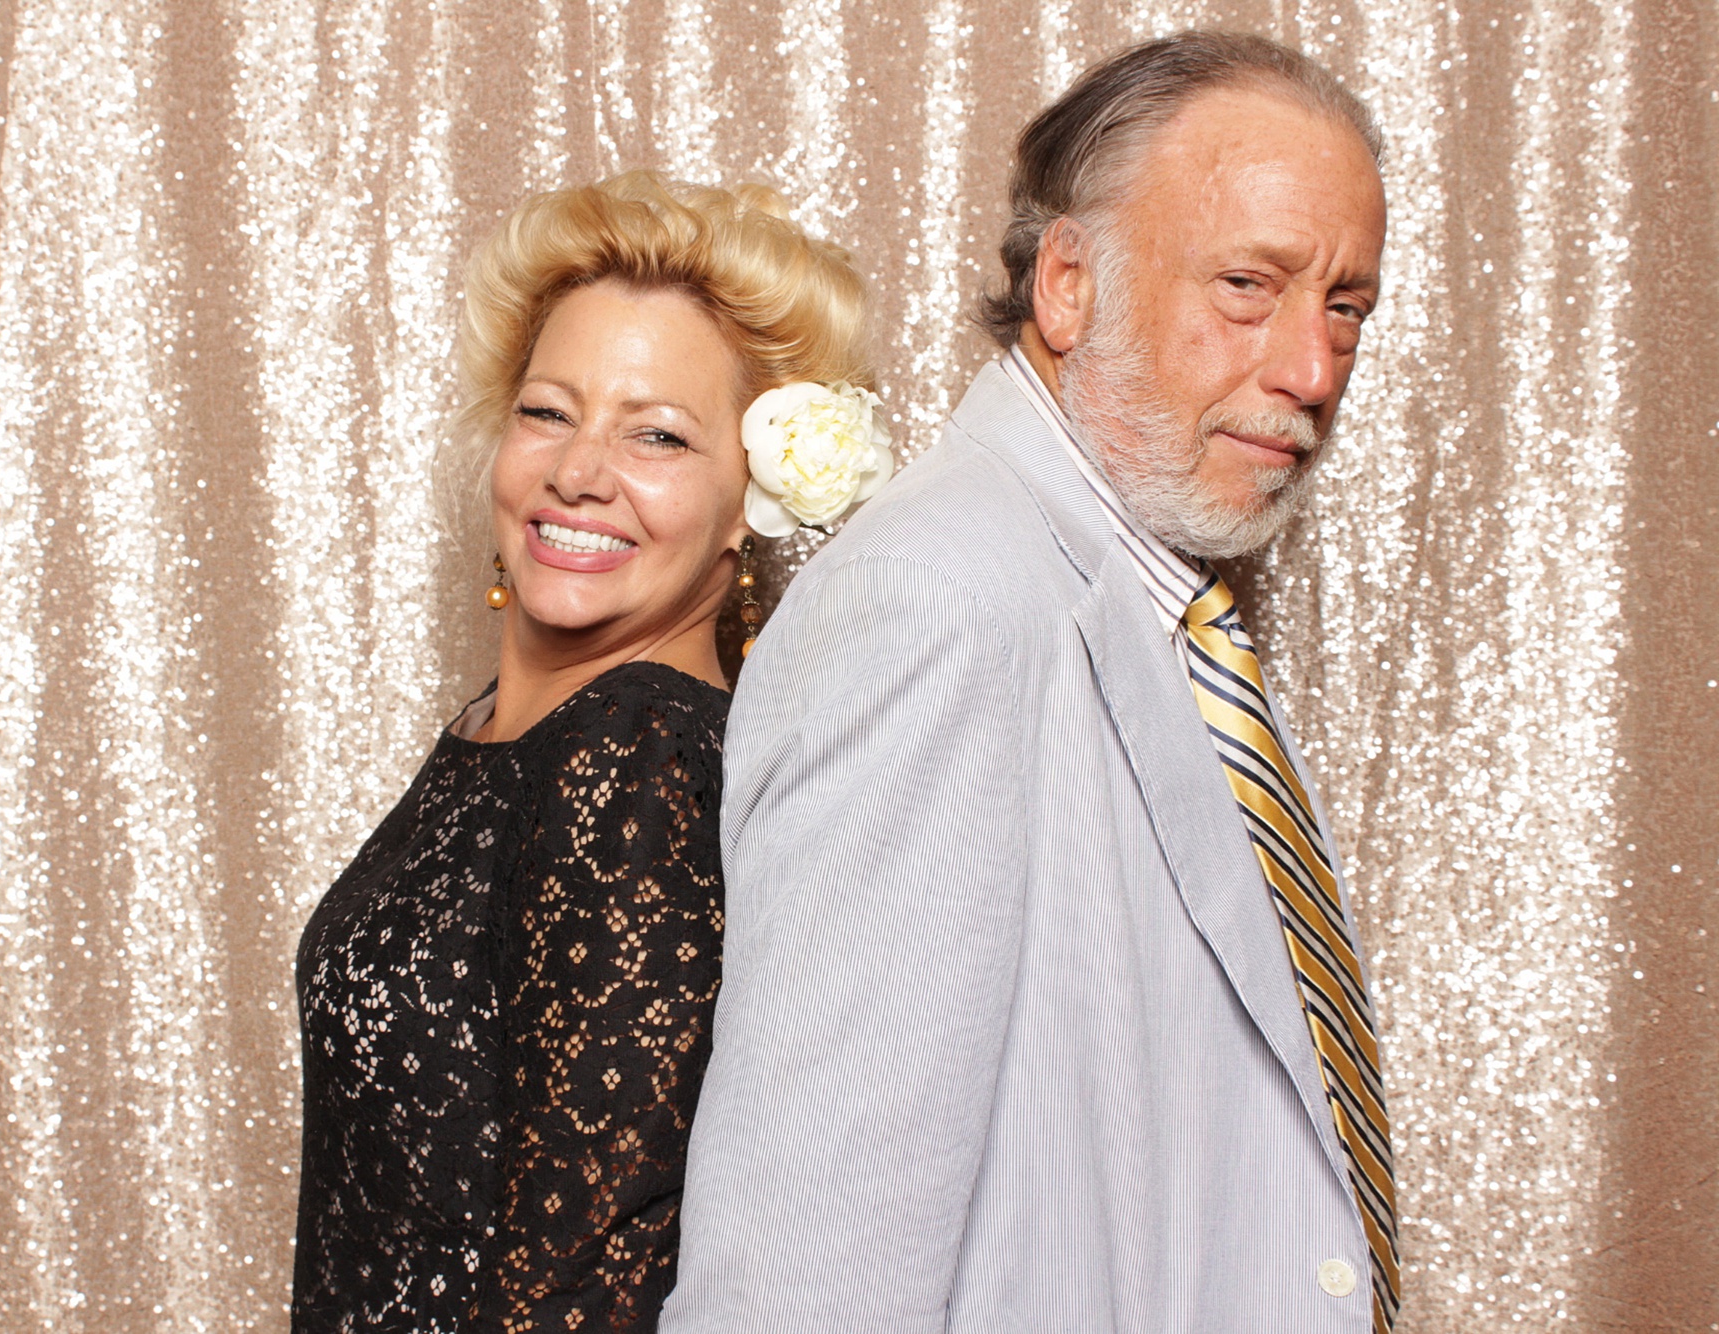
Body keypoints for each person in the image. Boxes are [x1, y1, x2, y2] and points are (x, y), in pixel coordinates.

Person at [663, 31, 1400, 1334]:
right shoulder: (943, 604)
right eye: (1249, 284)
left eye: (1346, 305)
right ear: (1067, 284)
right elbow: (800, 1285)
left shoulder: (1155, 593)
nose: (1312, 370)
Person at [290, 171, 889, 1332]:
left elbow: (584, 1283)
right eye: (547, 410)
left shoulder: (635, 758)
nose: (577, 470)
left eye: (656, 433)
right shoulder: (505, 733)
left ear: (747, 505)